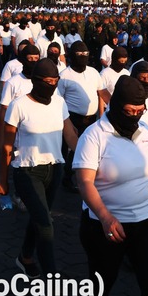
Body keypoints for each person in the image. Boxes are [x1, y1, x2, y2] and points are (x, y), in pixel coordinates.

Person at [75, 76, 148, 296]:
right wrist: (105, 216)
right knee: (100, 287)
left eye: (140, 111)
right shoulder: (94, 135)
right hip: (106, 226)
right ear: (116, 106)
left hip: (147, 221)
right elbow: (84, 182)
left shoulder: (146, 131)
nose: (136, 116)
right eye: (130, 111)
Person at [0, 58, 78, 296]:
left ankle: (25, 257)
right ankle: (53, 288)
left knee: (39, 217)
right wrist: (3, 180)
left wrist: (89, 162)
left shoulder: (59, 102)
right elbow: (7, 146)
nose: (51, 86)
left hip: (54, 169)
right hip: (26, 170)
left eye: (55, 81)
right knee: (45, 225)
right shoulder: (19, 105)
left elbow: (70, 135)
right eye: (47, 81)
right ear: (35, 81)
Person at [57, 41, 104, 190]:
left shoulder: (93, 72)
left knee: (87, 149)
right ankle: (65, 177)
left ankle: (82, 177)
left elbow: (102, 92)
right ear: (72, 55)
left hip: (91, 119)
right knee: (70, 148)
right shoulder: (64, 75)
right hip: (72, 118)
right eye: (79, 54)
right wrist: (67, 122)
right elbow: (58, 100)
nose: (83, 56)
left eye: (85, 54)